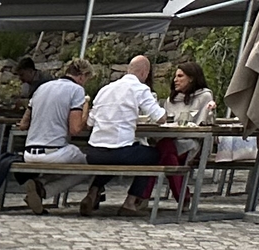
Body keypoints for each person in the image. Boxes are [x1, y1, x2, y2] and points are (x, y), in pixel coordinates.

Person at [82, 52, 167, 211]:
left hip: (94, 152)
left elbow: (89, 123)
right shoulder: (139, 89)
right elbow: (160, 118)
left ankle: (93, 192)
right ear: (144, 73)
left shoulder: (105, 89)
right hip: (119, 151)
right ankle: (130, 202)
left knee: (112, 156)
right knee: (152, 155)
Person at [19, 58, 91, 211]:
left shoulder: (41, 88)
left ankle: (40, 183)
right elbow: (75, 129)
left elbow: (23, 124)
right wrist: (85, 108)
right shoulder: (77, 90)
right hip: (54, 151)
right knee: (87, 166)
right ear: (82, 76)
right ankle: (44, 190)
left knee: (65, 165)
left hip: (29, 152)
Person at [155, 58, 215, 202]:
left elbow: (205, 123)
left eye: (180, 76)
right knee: (166, 154)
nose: (175, 80)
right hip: (172, 140)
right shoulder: (171, 100)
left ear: (192, 79)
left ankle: (140, 198)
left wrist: (211, 112)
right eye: (175, 76)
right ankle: (183, 197)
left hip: (193, 142)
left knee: (159, 154)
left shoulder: (204, 96)